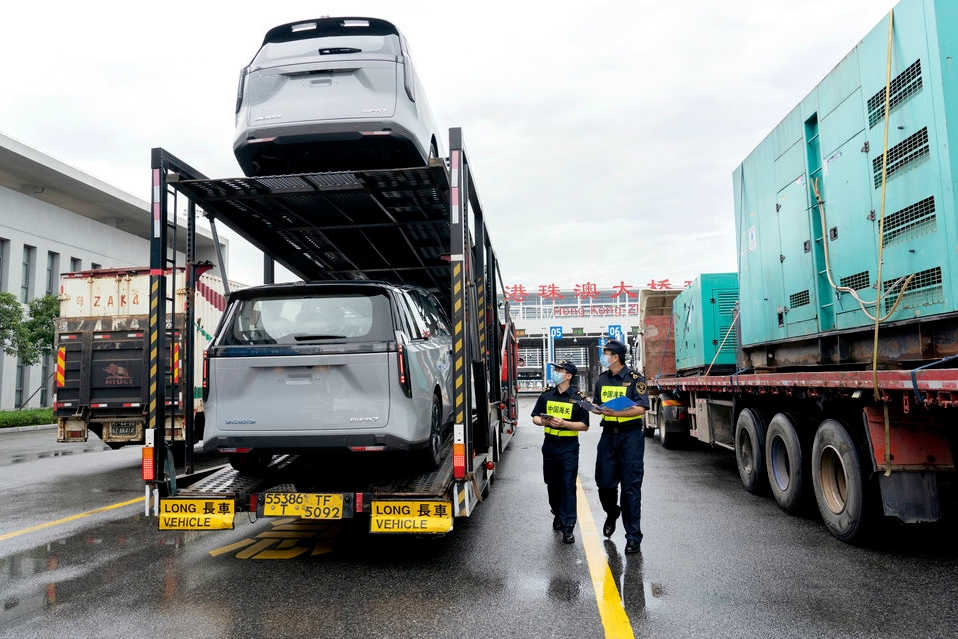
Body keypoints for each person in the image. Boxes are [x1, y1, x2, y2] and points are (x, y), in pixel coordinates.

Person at [592, 339, 649, 554]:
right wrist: (596, 408)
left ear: (615, 356)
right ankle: (612, 512)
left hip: (630, 438)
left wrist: (616, 413)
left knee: (630, 488)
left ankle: (633, 536)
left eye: (605, 353)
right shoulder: (602, 379)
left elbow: (641, 408)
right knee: (605, 484)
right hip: (608, 437)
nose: (603, 357)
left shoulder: (636, 379)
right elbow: (597, 403)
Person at [531, 359, 590, 544]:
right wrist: (545, 421)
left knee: (567, 486)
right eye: (555, 369)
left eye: (559, 370)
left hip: (569, 448)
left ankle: (568, 527)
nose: (555, 372)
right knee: (552, 484)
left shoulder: (579, 398)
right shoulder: (546, 395)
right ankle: (557, 512)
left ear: (569, 376)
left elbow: (585, 426)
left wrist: (564, 423)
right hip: (549, 447)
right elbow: (534, 417)